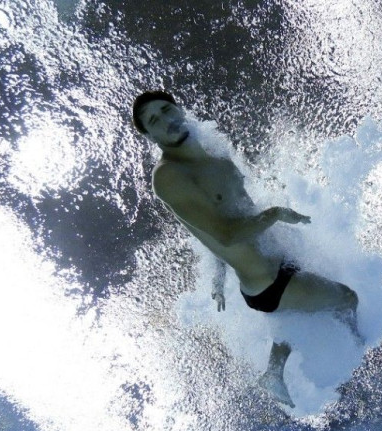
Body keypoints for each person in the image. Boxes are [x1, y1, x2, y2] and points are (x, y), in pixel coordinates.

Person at [132, 90, 362, 407]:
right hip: (267, 281)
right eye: (154, 120)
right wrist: (277, 214)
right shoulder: (169, 176)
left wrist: (217, 276)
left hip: (277, 263)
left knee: (292, 318)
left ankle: (274, 373)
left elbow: (224, 220)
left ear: (180, 109)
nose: (167, 120)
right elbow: (225, 235)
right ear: (149, 135)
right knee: (348, 298)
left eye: (167, 109)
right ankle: (362, 348)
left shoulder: (212, 152)